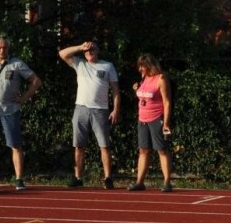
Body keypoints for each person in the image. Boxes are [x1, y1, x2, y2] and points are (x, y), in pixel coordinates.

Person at [0, 35, 41, 191]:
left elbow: (36, 81)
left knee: (15, 145)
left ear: (8, 48)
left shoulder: (17, 64)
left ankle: (19, 179)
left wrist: (24, 97)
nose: (1, 50)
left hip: (10, 111)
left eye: (4, 47)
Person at [59, 40, 121, 189]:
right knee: (79, 145)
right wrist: (80, 47)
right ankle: (78, 177)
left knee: (104, 145)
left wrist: (116, 109)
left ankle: (107, 178)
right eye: (87, 50)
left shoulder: (107, 66)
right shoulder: (79, 64)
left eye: (92, 49)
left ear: (98, 51)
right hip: (81, 109)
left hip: (100, 110)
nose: (89, 52)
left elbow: (116, 90)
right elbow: (62, 54)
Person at [129, 53, 174, 192]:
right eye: (139, 66)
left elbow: (167, 102)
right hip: (142, 119)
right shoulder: (143, 79)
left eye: (142, 66)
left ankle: (167, 182)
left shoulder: (161, 79)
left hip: (156, 118)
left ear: (149, 65)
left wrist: (165, 123)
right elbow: (145, 97)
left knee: (162, 150)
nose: (140, 69)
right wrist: (136, 89)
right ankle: (140, 182)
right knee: (143, 150)